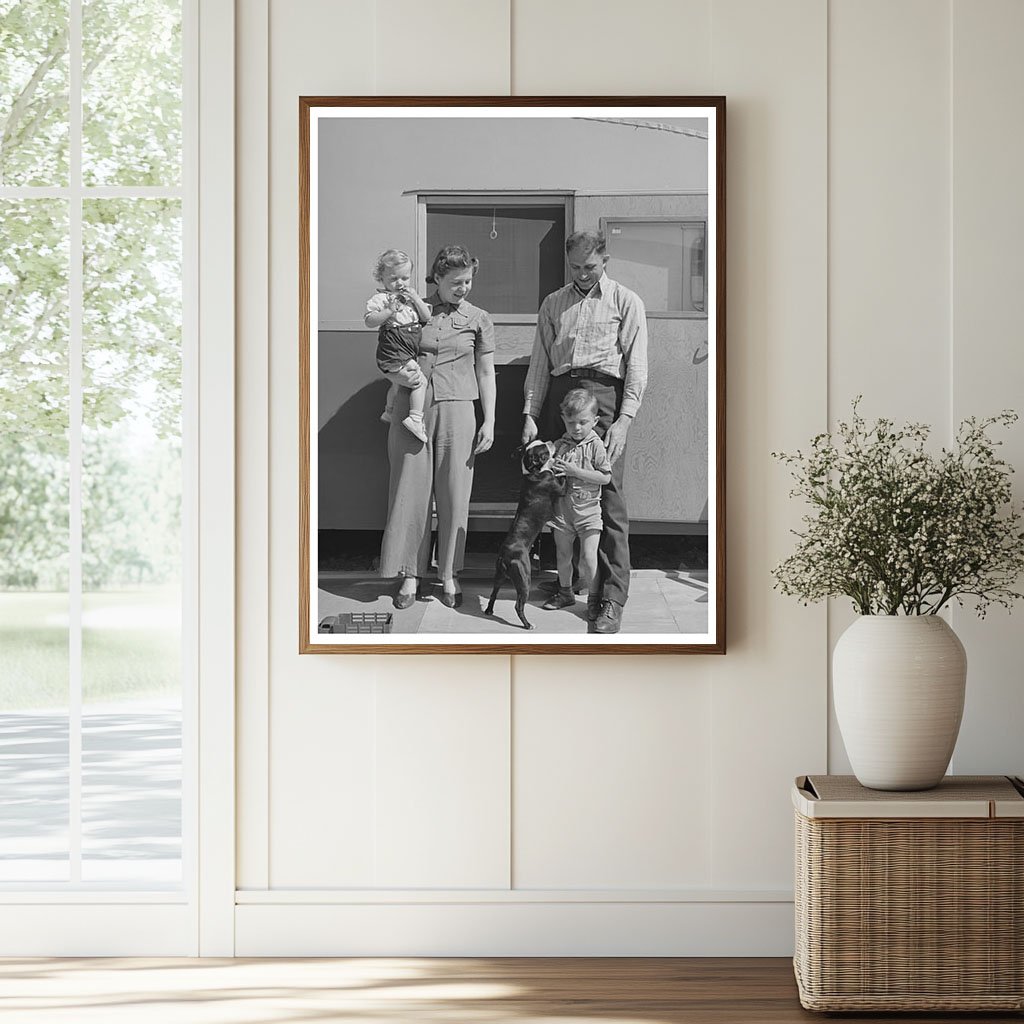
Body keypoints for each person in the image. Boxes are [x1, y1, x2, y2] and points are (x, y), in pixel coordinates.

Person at [522, 230, 648, 634]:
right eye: (575, 267)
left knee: (607, 500)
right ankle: (567, 585)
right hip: (562, 395)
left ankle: (609, 598)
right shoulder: (553, 303)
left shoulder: (626, 301)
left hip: (604, 400)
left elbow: (637, 367)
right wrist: (530, 413)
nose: (582, 274)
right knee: (557, 494)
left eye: (590, 266)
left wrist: (624, 420)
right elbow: (540, 364)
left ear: (605, 259)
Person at [379, 244, 496, 610]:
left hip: (459, 410)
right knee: (409, 491)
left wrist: (490, 419)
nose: (464, 288)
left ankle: (449, 573)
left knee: (454, 494)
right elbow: (393, 351)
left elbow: (486, 371)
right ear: (438, 279)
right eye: (456, 282)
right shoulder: (412, 309)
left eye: (468, 281)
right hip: (412, 409)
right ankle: (410, 575)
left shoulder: (480, 318)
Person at [542, 388, 612, 615]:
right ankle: (564, 593)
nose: (577, 428)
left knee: (588, 557)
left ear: (595, 420)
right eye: (571, 422)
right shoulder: (560, 445)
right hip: (563, 511)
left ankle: (593, 599)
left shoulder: (596, 445)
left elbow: (605, 476)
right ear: (564, 419)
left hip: (588, 512)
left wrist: (576, 471)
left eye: (583, 422)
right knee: (563, 556)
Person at [364, 249, 432, 443]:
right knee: (420, 381)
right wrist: (388, 310)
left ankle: (389, 411)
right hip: (394, 351)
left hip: (407, 351)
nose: (400, 283)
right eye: (394, 278)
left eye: (405, 277)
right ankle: (415, 419)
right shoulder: (380, 299)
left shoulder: (411, 299)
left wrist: (417, 299)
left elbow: (426, 317)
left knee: (395, 383)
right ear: (382, 278)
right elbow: (370, 321)